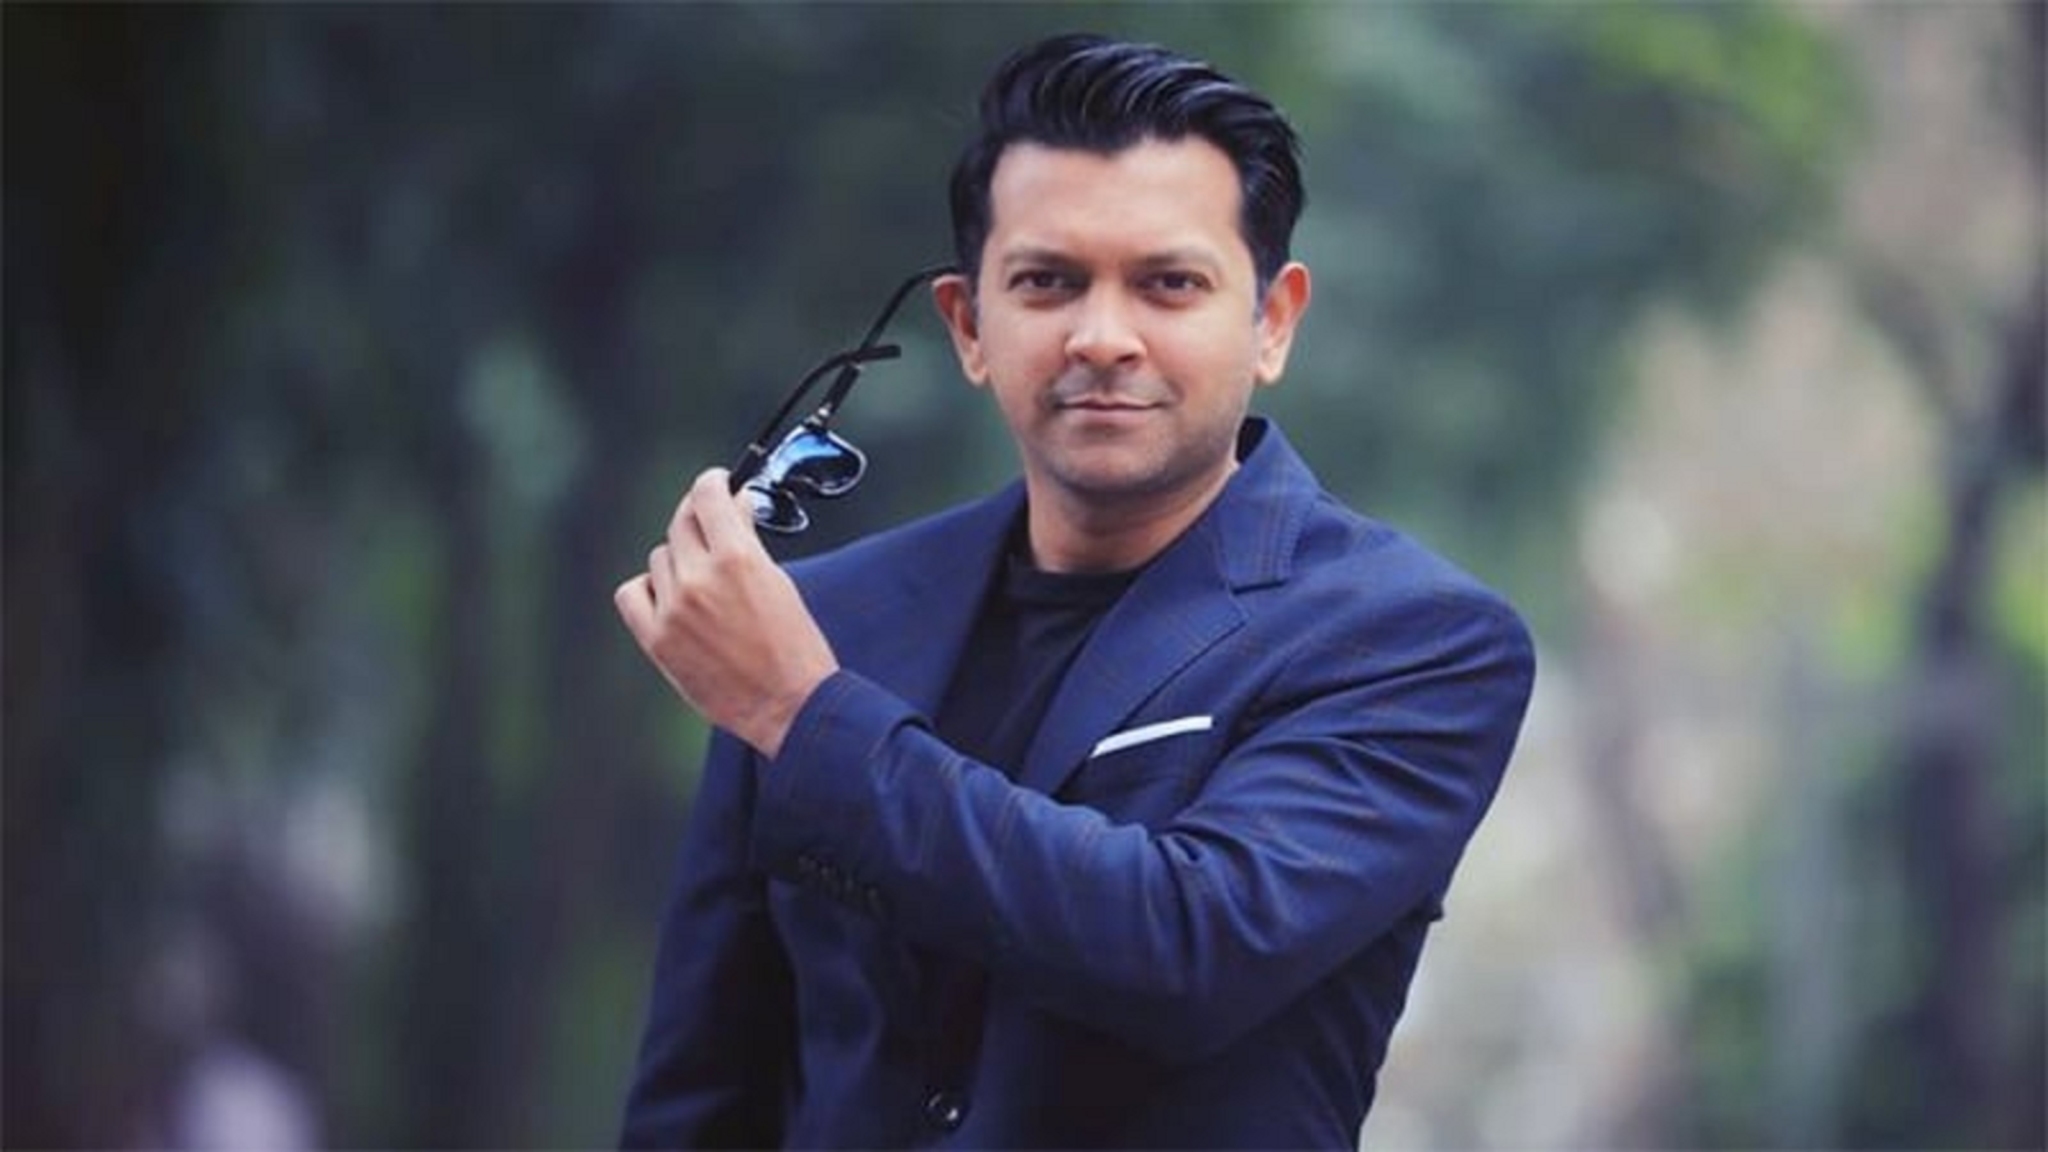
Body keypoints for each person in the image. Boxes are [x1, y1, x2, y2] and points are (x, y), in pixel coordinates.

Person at [612, 32, 1535, 1150]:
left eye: (1168, 284)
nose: (1102, 338)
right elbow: (705, 1086)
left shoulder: (1412, 639)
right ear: (968, 326)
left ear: (1272, 321)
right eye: (1047, 282)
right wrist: (792, 697)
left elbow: (1188, 947)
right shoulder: (821, 620)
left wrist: (805, 717)